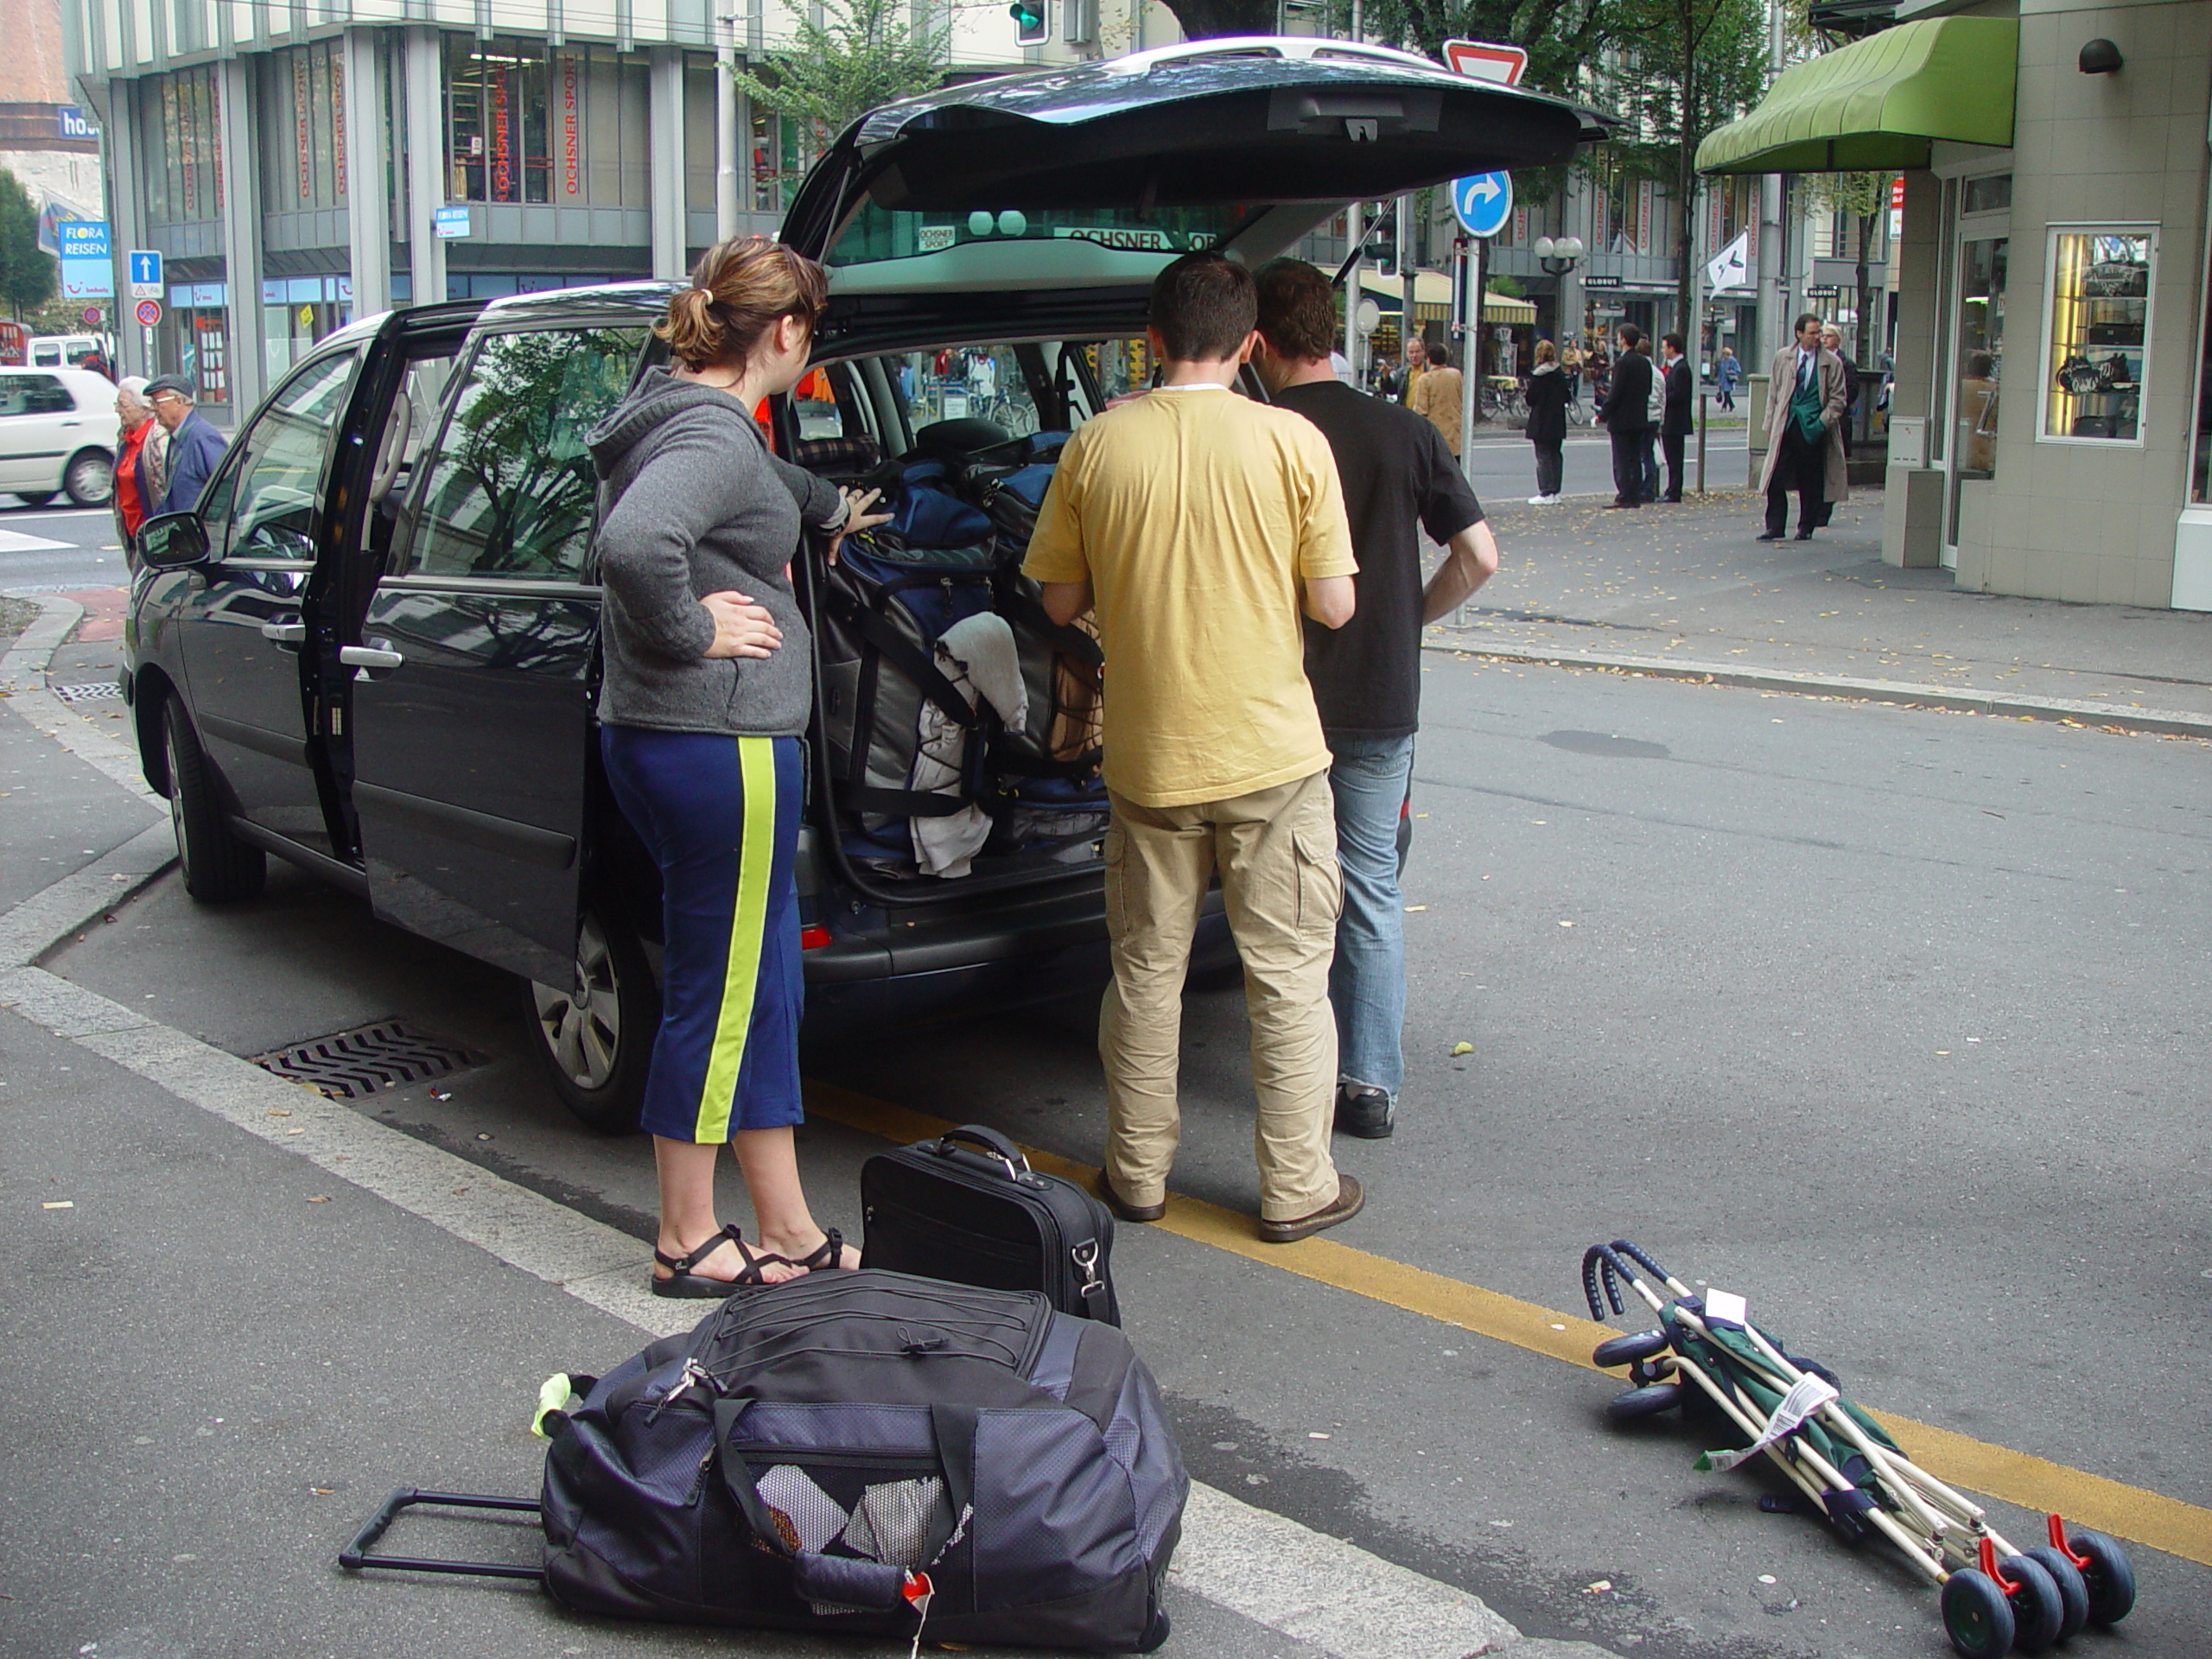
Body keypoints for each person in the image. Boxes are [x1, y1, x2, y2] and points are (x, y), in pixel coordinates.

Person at [1021, 251, 1364, 1244]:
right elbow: (1334, 603)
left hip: (1148, 760)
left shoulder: (1097, 443)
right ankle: (1296, 1190)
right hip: (1273, 758)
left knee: (1143, 973)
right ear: (1252, 342)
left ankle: (1135, 1175)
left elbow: (1057, 601)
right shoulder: (1293, 441)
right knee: (1290, 977)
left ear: (1154, 338)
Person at [587, 233, 889, 1295]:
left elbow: (751, 483)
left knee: (765, 991)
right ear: (787, 331)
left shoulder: (681, 409)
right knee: (718, 997)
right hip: (717, 742)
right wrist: (693, 629)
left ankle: (786, 1225)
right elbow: (634, 545)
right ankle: (683, 1235)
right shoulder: (711, 434)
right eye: (813, 338)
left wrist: (822, 509)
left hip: (692, 740)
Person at [1251, 257, 1497, 1140]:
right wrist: (1410, 619)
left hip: (1275, 702)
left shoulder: (1259, 435)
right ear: (1332, 333)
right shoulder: (1403, 433)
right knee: (1371, 888)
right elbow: (1479, 556)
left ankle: (1290, 1073)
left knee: (1279, 893)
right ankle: (1368, 1084)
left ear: (1259, 341)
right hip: (1380, 700)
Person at [1758, 312, 1848, 542]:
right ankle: (1775, 526)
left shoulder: (1831, 362)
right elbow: (1774, 393)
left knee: (1810, 479)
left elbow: (1839, 399)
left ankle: (1806, 526)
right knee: (1775, 476)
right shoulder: (1783, 357)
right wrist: (1770, 424)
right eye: (1813, 333)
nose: (1818, 337)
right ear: (1799, 334)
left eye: (1819, 332)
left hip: (1813, 427)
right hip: (1787, 423)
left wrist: (1821, 422)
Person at [143, 375, 229, 518]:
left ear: (179, 401)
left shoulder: (202, 437)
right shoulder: (176, 438)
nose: (154, 410)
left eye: (157, 402)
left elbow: (228, 490)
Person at [1596, 323, 1653, 509]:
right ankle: (1635, 494)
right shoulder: (1645, 362)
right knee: (1635, 459)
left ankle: (1624, 495)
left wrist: (1602, 415)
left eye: (1619, 337)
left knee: (1621, 460)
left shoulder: (1622, 363)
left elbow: (1616, 393)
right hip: (1639, 417)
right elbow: (1648, 389)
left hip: (1621, 420)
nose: (1618, 341)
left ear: (1624, 340)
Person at [1816, 323, 1861, 527]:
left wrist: (1833, 409)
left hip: (1837, 420)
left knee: (1832, 466)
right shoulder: (1816, 359)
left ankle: (1825, 510)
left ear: (1837, 339)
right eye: (1822, 335)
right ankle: (1813, 509)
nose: (1824, 339)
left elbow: (1850, 392)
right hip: (1817, 420)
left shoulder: (1845, 363)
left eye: (1828, 336)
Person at [111, 377, 157, 565]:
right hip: (132, 533)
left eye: (123, 405)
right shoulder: (125, 438)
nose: (117, 410)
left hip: (151, 533)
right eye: (117, 404)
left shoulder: (156, 440)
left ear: (144, 408)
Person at [1522, 339, 1571, 504]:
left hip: (1541, 420)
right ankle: (1555, 491)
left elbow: (1530, 399)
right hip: (1557, 420)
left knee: (1543, 456)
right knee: (1556, 455)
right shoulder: (1559, 374)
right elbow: (1567, 396)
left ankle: (1545, 491)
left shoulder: (1539, 376)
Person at [1408, 341, 1464, 459]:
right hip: (1455, 434)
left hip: (1435, 436)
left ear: (1428, 359)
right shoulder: (1456, 375)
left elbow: (1420, 411)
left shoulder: (1426, 379)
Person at [1658, 333, 1694, 503]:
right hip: (1672, 421)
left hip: (1675, 422)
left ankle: (1674, 491)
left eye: (1664, 347)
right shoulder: (1675, 368)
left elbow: (1679, 395)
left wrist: (1663, 398)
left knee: (1674, 458)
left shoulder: (1681, 369)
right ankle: (1672, 489)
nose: (1663, 350)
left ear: (1672, 348)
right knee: (1672, 458)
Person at [1400, 334, 1427, 406]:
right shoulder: (1403, 372)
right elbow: (1392, 390)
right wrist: (1386, 377)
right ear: (1407, 354)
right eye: (1411, 352)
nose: (1414, 355)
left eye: (1417, 352)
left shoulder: (1430, 372)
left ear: (1424, 352)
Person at [1714, 344, 1740, 411]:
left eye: (1725, 354)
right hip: (1723, 380)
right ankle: (1731, 406)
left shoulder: (1733, 361)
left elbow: (1738, 370)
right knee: (1726, 394)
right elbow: (1720, 371)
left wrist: (1730, 371)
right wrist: (1719, 381)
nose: (1724, 356)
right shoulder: (1722, 361)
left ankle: (1724, 406)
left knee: (1726, 394)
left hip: (1729, 380)